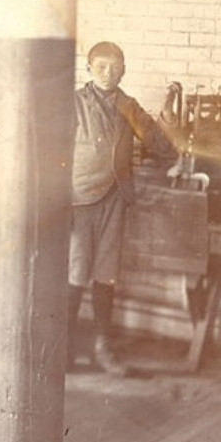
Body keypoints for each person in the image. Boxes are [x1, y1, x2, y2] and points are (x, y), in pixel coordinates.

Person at [67, 41, 178, 375]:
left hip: (116, 198)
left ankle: (103, 348)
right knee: (75, 273)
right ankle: (65, 349)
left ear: (124, 70)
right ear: (88, 69)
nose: (108, 73)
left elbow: (159, 146)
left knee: (106, 274)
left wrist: (167, 121)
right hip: (78, 199)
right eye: (100, 66)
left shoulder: (129, 105)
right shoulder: (72, 102)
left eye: (115, 66)